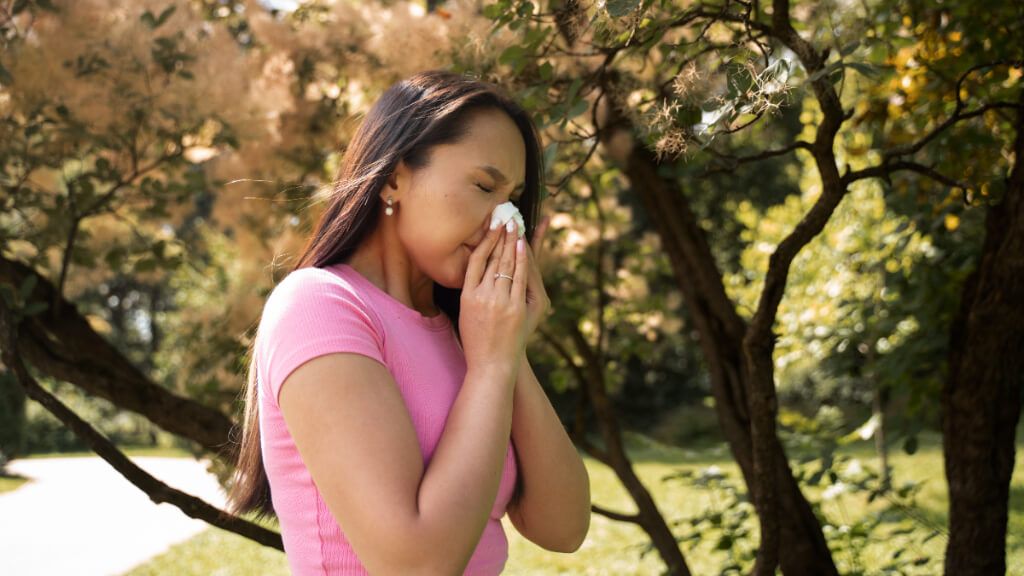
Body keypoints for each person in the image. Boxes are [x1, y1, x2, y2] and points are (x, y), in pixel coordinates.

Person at [227, 70, 591, 575]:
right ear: (395, 176)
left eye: (513, 198)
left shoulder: (468, 334)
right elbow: (416, 565)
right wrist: (489, 366)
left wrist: (509, 352)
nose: (505, 220)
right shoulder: (319, 306)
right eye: (485, 185)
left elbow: (563, 527)